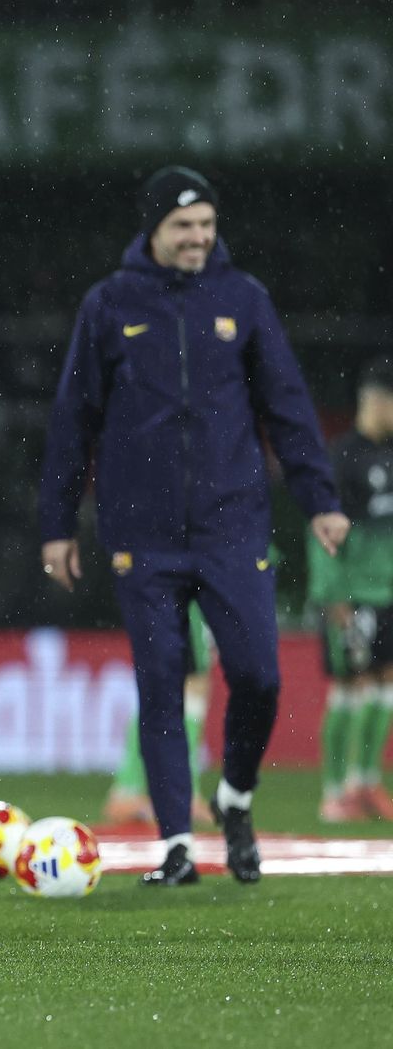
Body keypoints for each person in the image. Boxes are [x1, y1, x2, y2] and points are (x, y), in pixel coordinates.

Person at [39, 165, 348, 886]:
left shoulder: (244, 299)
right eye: (185, 227)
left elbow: (288, 405)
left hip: (231, 527)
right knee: (161, 683)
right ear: (153, 229)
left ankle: (235, 796)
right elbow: (71, 419)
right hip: (140, 537)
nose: (199, 239)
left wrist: (321, 499)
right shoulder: (110, 305)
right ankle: (177, 845)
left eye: (208, 227)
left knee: (259, 678)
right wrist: (57, 523)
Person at [310, 356, 393, 822]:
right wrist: (330, 593)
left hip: (389, 591)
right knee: (349, 687)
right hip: (352, 592)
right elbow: (321, 529)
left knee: (385, 685)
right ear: (377, 401)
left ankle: (366, 782)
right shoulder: (340, 457)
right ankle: (334, 792)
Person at [102, 604, 215, 828]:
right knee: (189, 684)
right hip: (190, 584)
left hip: (178, 584)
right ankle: (147, 791)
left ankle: (134, 790)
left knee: (173, 685)